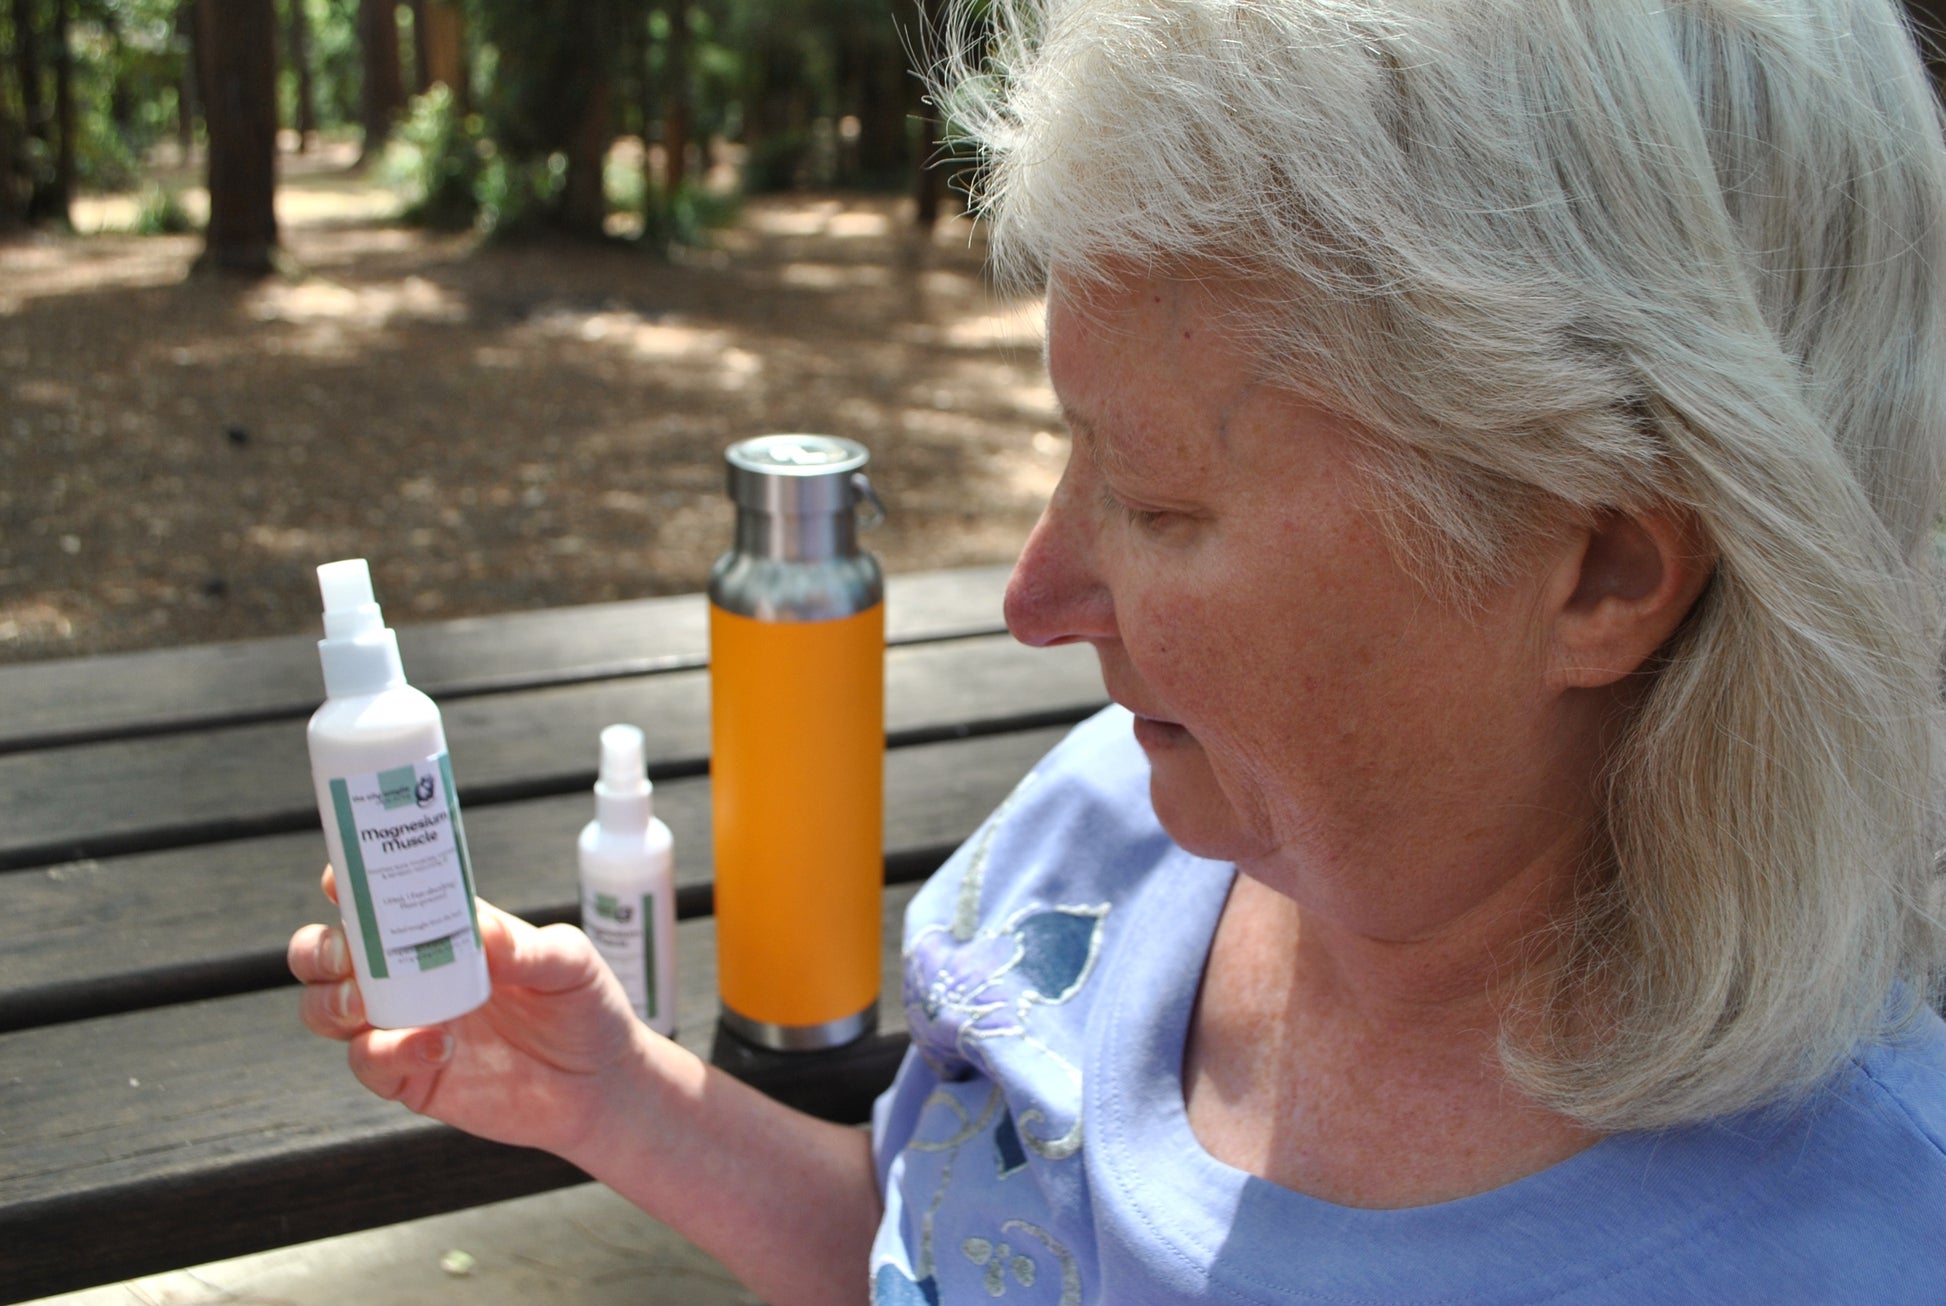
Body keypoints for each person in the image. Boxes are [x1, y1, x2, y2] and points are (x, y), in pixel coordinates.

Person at [290, 0, 1946, 1300]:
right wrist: (615, 1099)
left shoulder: (1855, 1245)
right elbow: (947, 1241)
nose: (1033, 592)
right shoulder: (1107, 831)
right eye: (1068, 446)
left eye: (1155, 502)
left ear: (1595, 568)